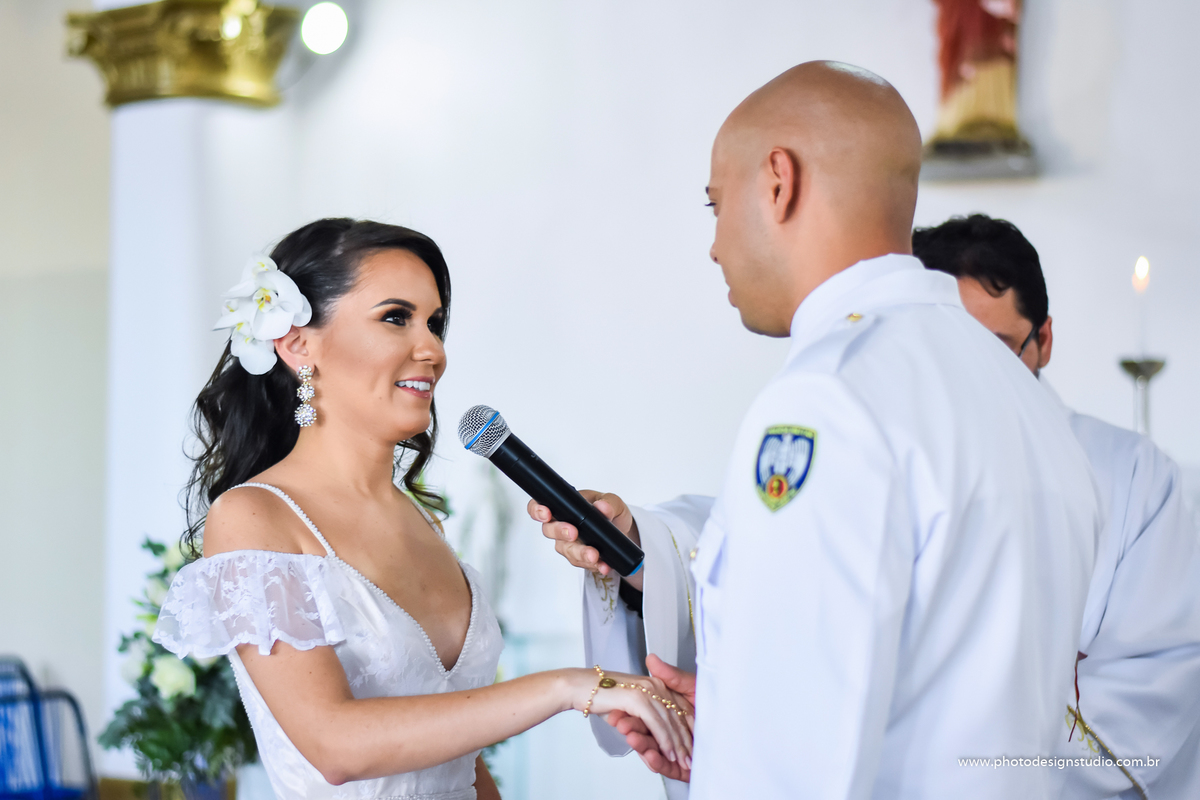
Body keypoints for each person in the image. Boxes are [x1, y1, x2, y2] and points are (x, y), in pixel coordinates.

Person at [531, 61, 1103, 798]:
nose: (715, 246)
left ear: (779, 182)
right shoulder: (1019, 394)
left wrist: (751, 752)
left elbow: (792, 764)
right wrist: (735, 728)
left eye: (715, 205)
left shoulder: (830, 396)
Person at [151, 218, 694, 800]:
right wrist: (568, 687)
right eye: (395, 318)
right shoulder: (255, 517)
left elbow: (458, 762)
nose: (432, 349)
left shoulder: (421, 520)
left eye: (434, 323)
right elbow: (334, 745)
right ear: (298, 344)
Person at [913, 213, 1200, 800]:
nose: (974, 382)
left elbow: (1151, 677)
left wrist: (978, 769)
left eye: (998, 353)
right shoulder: (885, 467)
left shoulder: (1136, 479)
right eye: (947, 354)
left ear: (1043, 341)